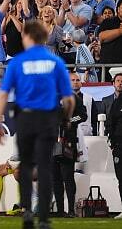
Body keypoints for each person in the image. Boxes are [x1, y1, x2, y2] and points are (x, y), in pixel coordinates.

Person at [0, 20, 75, 229]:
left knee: (27, 167)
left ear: (27, 36)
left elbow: (3, 94)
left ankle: (27, 213)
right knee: (45, 168)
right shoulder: (55, 62)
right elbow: (69, 99)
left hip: (26, 119)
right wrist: (65, 119)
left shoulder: (17, 62)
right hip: (48, 119)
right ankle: (45, 218)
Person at [52, 73, 87, 218]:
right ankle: (60, 210)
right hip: (52, 142)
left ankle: (71, 210)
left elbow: (83, 115)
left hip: (68, 141)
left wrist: (70, 121)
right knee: (55, 178)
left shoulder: (74, 98)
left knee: (67, 176)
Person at [105, 72, 122, 220]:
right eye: (118, 81)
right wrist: (111, 142)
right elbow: (110, 123)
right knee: (121, 178)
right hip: (119, 146)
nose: (121, 83)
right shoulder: (116, 103)